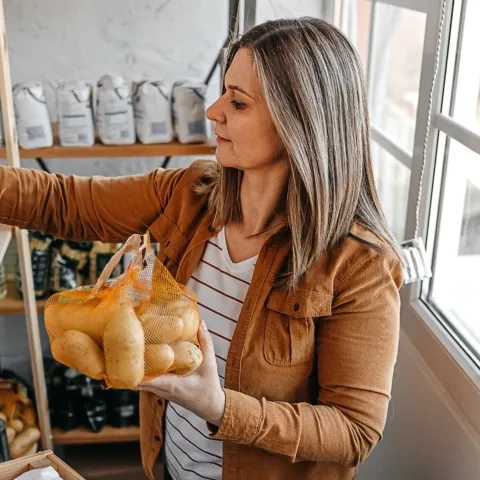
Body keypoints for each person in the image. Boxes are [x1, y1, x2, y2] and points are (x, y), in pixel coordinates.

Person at [0, 17, 403, 480]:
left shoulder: (360, 264)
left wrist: (218, 406)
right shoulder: (190, 193)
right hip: (170, 465)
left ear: (299, 121)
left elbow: (353, 431)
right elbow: (61, 201)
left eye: (238, 102)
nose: (213, 111)